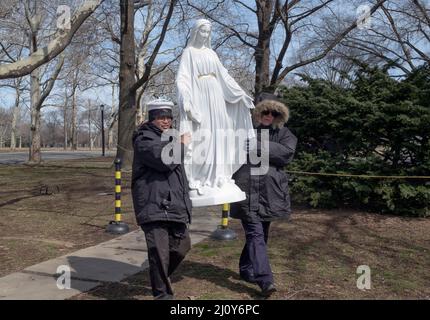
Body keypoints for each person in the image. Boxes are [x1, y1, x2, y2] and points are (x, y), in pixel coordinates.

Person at [176, 18, 255, 198]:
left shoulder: (212, 54)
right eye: (203, 31)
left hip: (217, 97)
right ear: (196, 32)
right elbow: (182, 78)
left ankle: (221, 176)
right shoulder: (188, 53)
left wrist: (240, 93)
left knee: (219, 134)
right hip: (200, 97)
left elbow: (224, 76)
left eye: (208, 32)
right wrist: (186, 98)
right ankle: (201, 177)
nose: (205, 35)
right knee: (204, 136)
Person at [230, 94, 298, 297]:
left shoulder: (284, 133)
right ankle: (265, 280)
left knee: (261, 235)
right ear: (257, 112)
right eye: (265, 111)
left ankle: (245, 268)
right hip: (246, 191)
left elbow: (286, 153)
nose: (269, 115)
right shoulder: (242, 131)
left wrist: (258, 144)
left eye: (274, 112)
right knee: (255, 234)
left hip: (270, 193)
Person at [131, 99, 192, 300]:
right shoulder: (144, 139)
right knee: (159, 252)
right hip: (153, 205)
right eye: (160, 117)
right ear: (152, 119)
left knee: (182, 247)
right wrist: (182, 144)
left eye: (168, 117)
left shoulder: (171, 139)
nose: (166, 121)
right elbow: (164, 160)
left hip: (174, 205)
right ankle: (163, 295)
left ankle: (160, 276)